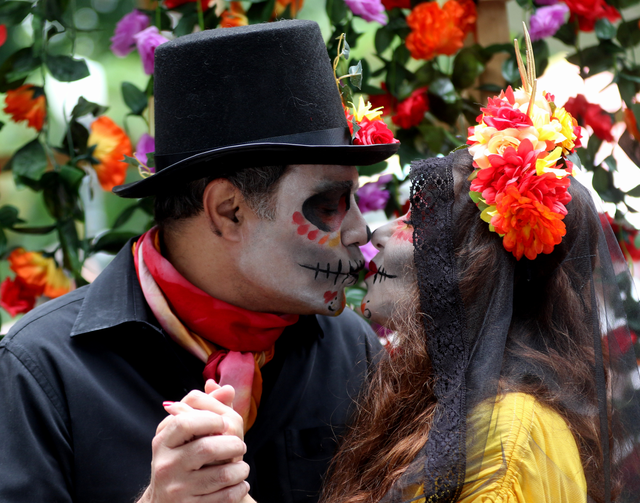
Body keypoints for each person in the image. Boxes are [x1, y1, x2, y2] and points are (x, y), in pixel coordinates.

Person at [0, 20, 400, 503]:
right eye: (330, 202)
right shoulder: (42, 370)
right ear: (228, 210)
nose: (360, 230)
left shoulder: (350, 351)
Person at [319, 98, 640, 500]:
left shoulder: (506, 436)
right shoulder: (458, 401)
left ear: (471, 266)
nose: (375, 234)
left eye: (415, 221)